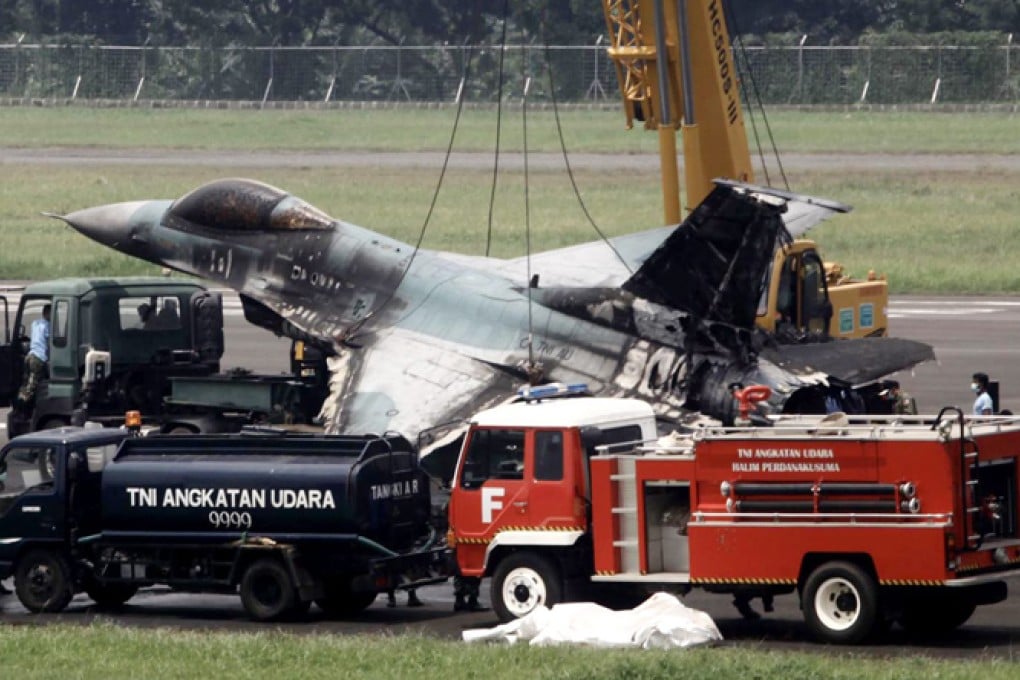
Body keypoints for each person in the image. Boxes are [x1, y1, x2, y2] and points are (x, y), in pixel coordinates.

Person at [15, 304, 51, 411]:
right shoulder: (48, 326)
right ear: (47, 313)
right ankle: (22, 405)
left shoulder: (35, 323)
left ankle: (19, 398)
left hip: (30, 356)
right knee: (33, 385)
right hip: (39, 358)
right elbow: (50, 342)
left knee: (25, 382)